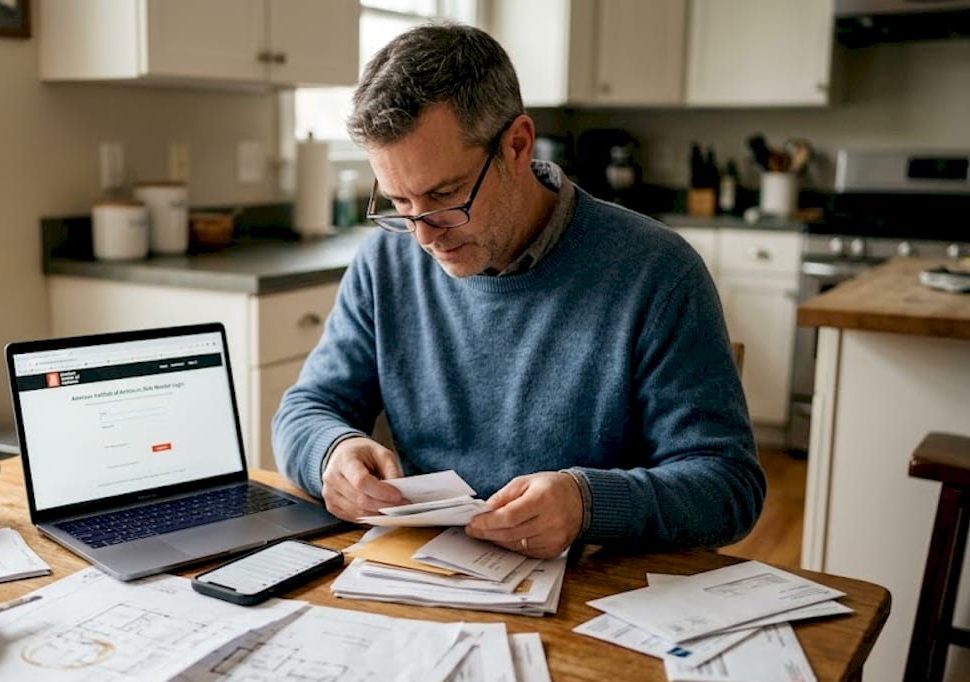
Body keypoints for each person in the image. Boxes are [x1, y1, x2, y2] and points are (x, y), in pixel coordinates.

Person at [272, 23, 765, 560]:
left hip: (596, 592)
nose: (424, 235)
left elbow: (729, 487)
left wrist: (587, 504)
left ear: (517, 145)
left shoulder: (658, 273)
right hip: (422, 579)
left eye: (443, 194)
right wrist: (332, 453)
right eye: (399, 202)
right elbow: (306, 409)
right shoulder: (383, 262)